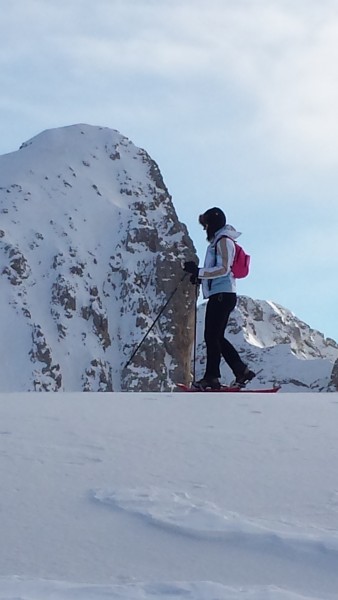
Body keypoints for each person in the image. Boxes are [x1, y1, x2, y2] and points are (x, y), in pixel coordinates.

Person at [183, 207, 255, 390]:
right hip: (222, 294)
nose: (204, 228)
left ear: (212, 224)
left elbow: (223, 268)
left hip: (222, 294)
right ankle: (241, 371)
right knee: (216, 337)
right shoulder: (219, 241)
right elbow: (219, 270)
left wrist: (199, 272)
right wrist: (199, 276)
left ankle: (212, 377)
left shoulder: (223, 241)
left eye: (206, 224)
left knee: (211, 335)